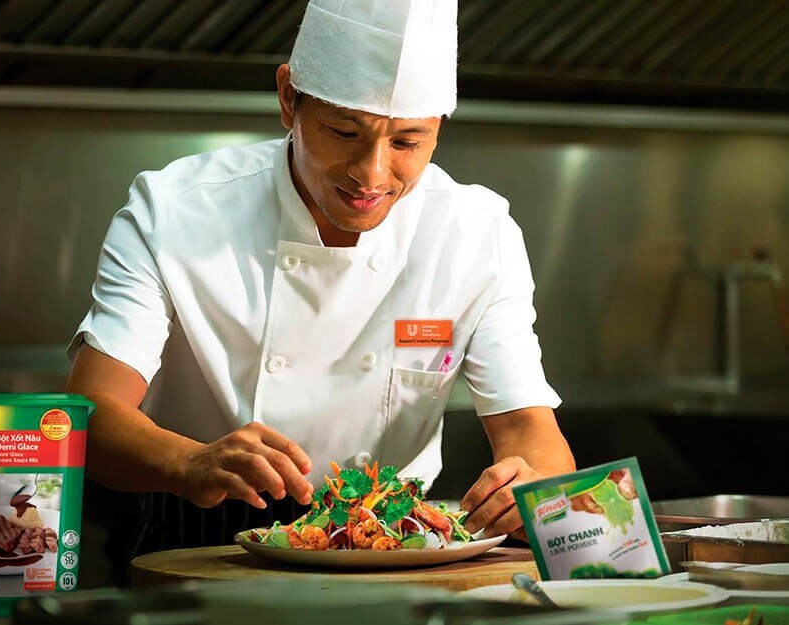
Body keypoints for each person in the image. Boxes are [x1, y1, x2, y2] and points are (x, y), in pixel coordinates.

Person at [65, 0, 575, 564]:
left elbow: (527, 426)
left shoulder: (477, 232)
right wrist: (189, 462)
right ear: (289, 98)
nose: (371, 174)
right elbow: (89, 414)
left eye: (407, 143)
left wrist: (529, 486)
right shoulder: (174, 210)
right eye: (343, 131)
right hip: (196, 538)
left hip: (394, 544)